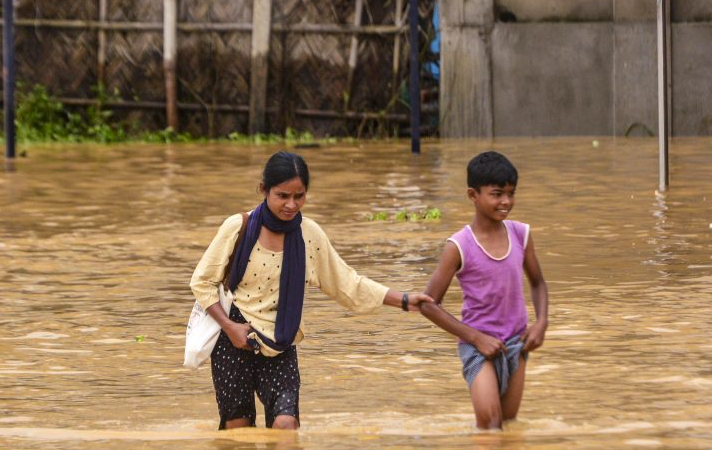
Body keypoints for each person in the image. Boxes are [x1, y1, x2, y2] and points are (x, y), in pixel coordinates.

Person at [190, 151, 431, 431]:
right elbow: (202, 282)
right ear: (263, 190)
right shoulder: (238, 227)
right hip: (233, 342)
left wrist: (402, 300)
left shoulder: (309, 235)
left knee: (286, 425)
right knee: (238, 433)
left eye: (299, 196)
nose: (291, 205)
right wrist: (230, 327)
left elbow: (347, 284)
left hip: (280, 341)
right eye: (282, 196)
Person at [419, 151, 549, 430]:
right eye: (497, 194)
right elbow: (428, 303)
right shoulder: (459, 245)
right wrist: (476, 338)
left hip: (516, 342)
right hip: (477, 348)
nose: (506, 202)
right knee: (490, 425)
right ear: (473, 195)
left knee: (509, 425)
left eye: (511, 194)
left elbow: (538, 282)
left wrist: (541, 323)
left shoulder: (521, 234)